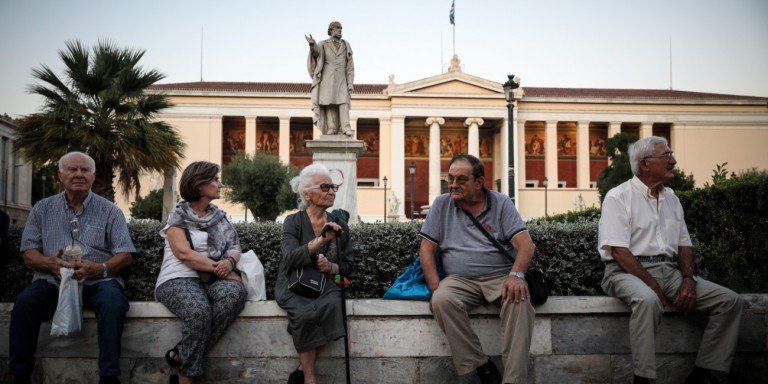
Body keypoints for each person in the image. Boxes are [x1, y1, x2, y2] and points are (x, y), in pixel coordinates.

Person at [598, 136, 743, 384]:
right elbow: (619, 251)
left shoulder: (672, 199)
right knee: (647, 300)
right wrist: (653, 286)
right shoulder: (617, 196)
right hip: (624, 272)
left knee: (730, 301)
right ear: (645, 164)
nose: (673, 161)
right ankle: (643, 378)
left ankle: (703, 374)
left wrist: (688, 280)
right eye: (667, 156)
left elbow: (684, 245)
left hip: (670, 272)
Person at [10, 151, 135, 384]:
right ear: (60, 175)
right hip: (52, 280)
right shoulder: (42, 208)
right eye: (72, 169)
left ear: (93, 176)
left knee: (113, 302)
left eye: (85, 170)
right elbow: (29, 254)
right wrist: (49, 263)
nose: (79, 174)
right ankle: (20, 375)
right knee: (25, 303)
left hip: (98, 280)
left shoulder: (110, 211)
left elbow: (125, 254)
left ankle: (109, 376)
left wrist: (100, 268)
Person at [420, 154, 536, 384]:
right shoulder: (442, 204)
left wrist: (516, 275)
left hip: (501, 277)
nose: (453, 185)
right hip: (459, 280)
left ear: (479, 182)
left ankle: (514, 380)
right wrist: (436, 288)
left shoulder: (501, 202)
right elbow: (426, 250)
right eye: (450, 178)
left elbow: (526, 245)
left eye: (461, 179)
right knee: (442, 300)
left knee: (520, 301)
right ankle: (479, 365)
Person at [155, 161, 247, 384]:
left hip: (212, 278)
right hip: (177, 277)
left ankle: (182, 351)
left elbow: (235, 246)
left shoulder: (219, 217)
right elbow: (184, 254)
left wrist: (229, 261)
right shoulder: (178, 216)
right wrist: (223, 268)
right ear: (198, 185)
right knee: (198, 311)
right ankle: (186, 377)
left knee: (235, 294)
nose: (220, 184)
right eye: (215, 180)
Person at [276, 163, 354, 384]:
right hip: (293, 283)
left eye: (333, 187)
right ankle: (309, 376)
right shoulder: (293, 221)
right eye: (325, 187)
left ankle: (302, 371)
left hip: (325, 283)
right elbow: (289, 258)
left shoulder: (340, 224)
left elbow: (348, 265)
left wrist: (330, 267)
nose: (331, 192)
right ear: (307, 194)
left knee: (331, 306)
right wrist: (320, 241)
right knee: (304, 314)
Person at [305, 21, 355, 137]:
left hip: (342, 79)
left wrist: (350, 82)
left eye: (340, 28)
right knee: (330, 103)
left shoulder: (346, 45)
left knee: (343, 102)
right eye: (337, 28)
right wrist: (312, 45)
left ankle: (345, 127)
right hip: (327, 79)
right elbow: (316, 53)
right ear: (330, 30)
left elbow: (350, 66)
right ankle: (331, 127)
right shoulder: (323, 44)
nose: (339, 30)